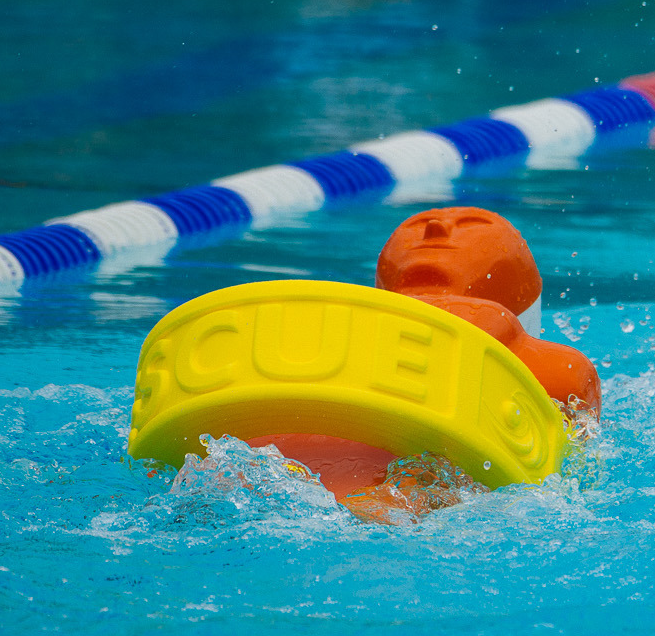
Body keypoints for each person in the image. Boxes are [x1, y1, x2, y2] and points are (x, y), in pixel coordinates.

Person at [250, 206, 601, 521]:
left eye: (472, 225)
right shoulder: (328, 343)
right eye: (417, 224)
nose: (434, 226)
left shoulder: (552, 369)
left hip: (318, 499)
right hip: (325, 496)